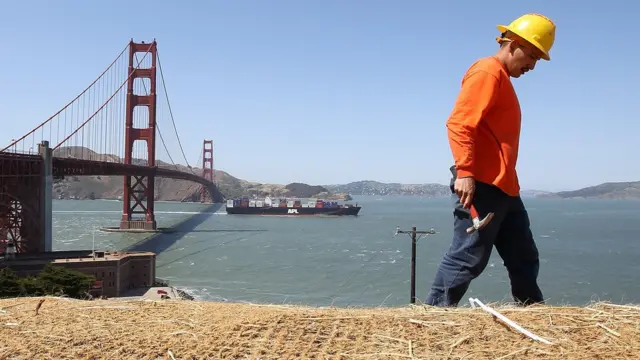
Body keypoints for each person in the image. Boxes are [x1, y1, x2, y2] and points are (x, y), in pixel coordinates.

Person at [425, 14, 556, 307]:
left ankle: (532, 311)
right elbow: (460, 123)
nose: (533, 65)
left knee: (524, 255)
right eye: (532, 55)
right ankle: (434, 316)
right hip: (483, 184)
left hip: (505, 188)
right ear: (513, 44)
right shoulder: (488, 71)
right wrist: (466, 171)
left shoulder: (502, 78)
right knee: (468, 256)